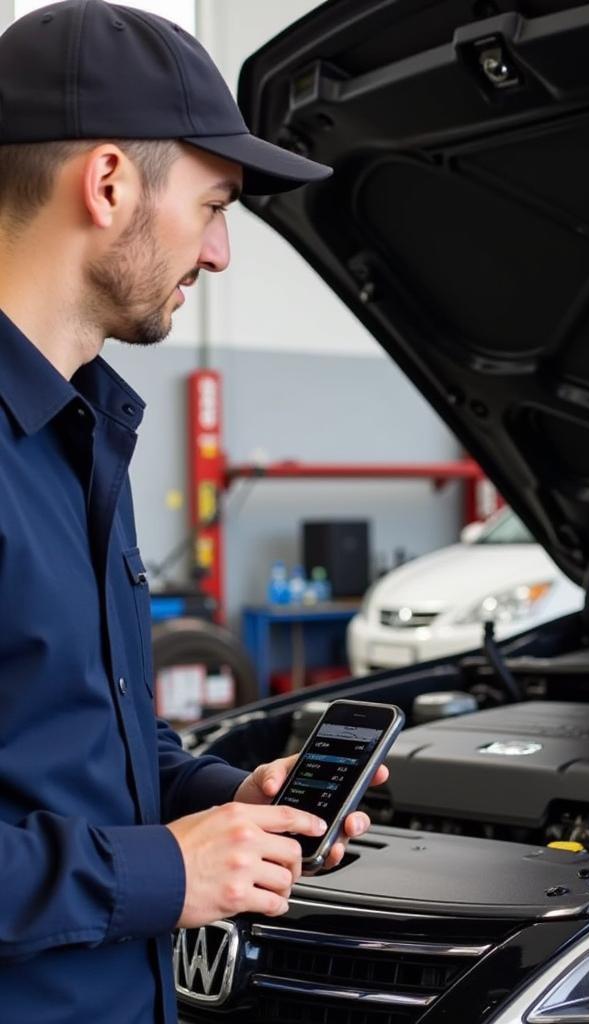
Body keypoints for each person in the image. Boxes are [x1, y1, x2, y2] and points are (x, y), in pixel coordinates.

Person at [0, 2, 387, 1021]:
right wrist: (164, 872)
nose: (219, 253)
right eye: (214, 206)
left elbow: (65, 737)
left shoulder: (79, 437)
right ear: (110, 181)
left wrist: (216, 799)